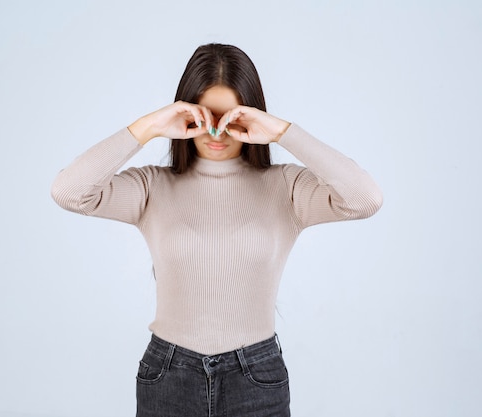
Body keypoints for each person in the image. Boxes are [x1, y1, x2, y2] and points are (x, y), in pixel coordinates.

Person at [51, 43, 382, 417]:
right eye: (204, 116)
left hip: (256, 376)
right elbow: (69, 192)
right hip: (169, 375)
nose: (216, 131)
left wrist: (284, 133)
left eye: (231, 118)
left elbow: (364, 199)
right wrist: (148, 128)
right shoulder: (151, 187)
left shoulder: (287, 188)